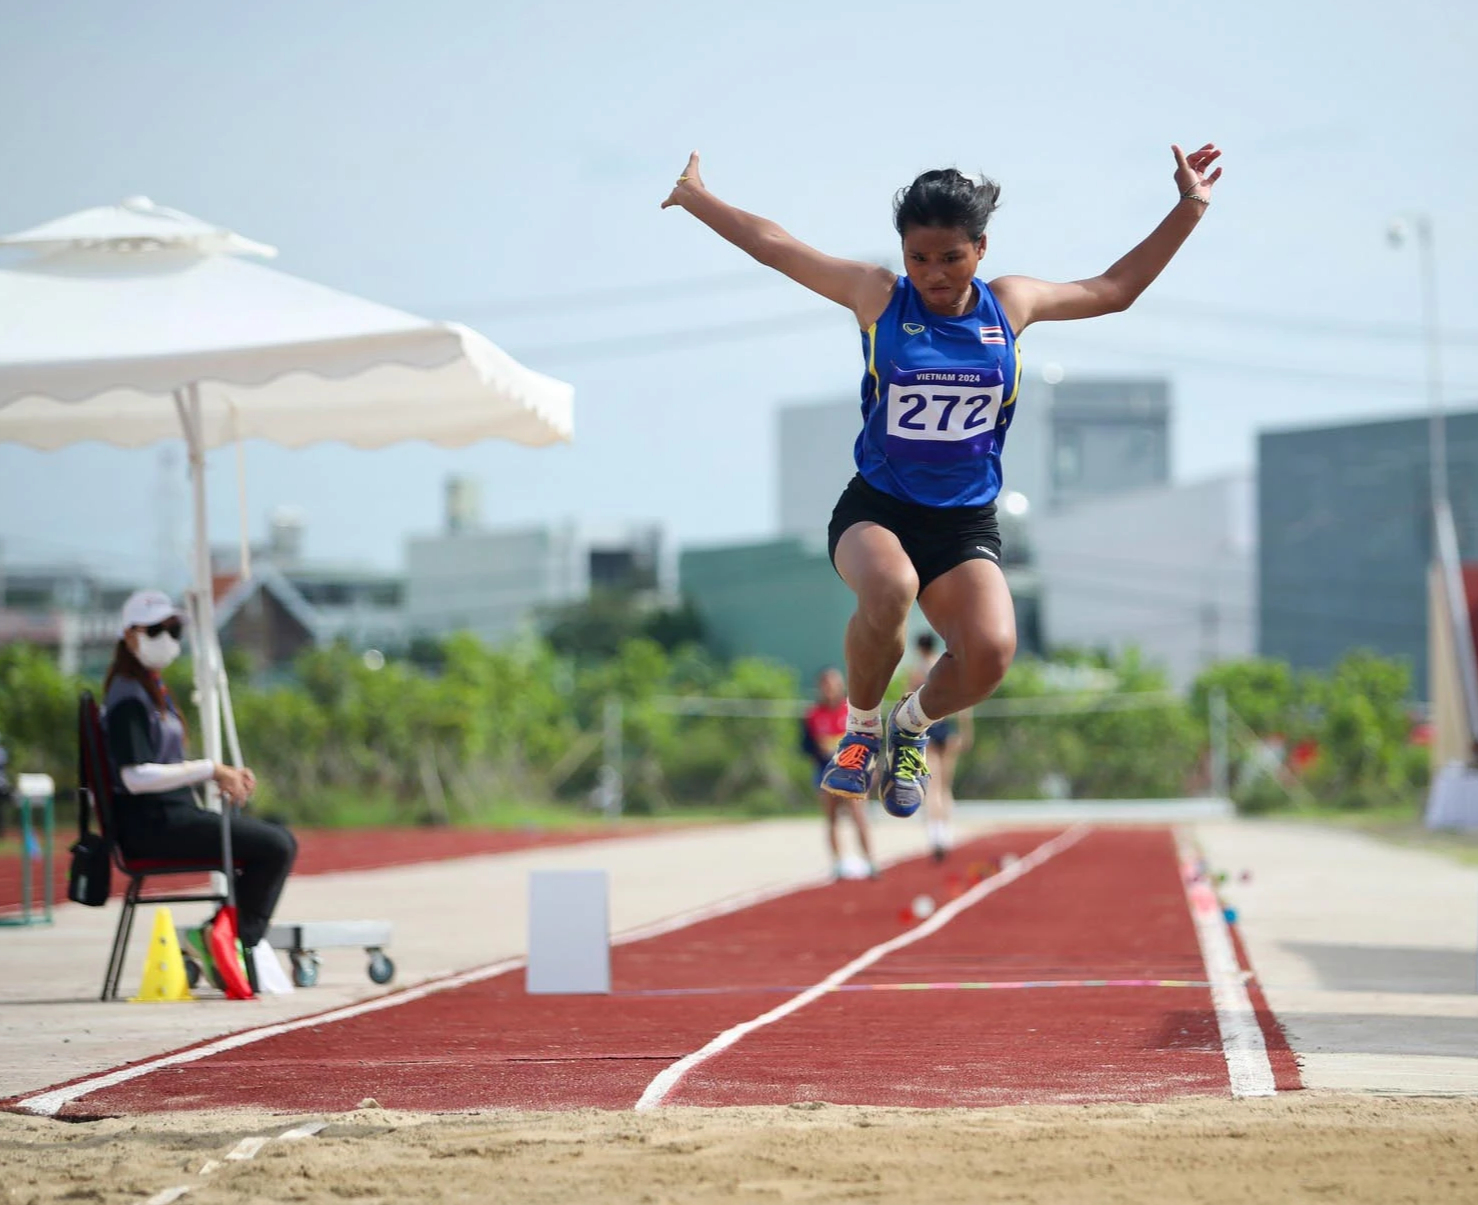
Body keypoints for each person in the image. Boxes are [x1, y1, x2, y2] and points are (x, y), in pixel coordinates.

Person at [663, 143, 1221, 817]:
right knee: (891, 586)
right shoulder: (879, 297)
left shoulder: (1009, 306)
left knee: (990, 652)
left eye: (950, 257)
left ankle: (911, 724)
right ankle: (863, 729)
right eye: (918, 257)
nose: (932, 273)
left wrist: (1190, 205)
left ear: (981, 249)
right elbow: (776, 246)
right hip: (879, 509)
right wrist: (698, 198)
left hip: (963, 524)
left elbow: (1115, 290)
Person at [102, 589, 296, 977]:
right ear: (130, 636)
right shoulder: (127, 697)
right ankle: (229, 943)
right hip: (152, 826)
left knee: (276, 835)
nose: (168, 638)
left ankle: (220, 939)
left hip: (173, 816)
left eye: (174, 629)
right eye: (156, 629)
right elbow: (134, 777)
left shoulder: (150, 689)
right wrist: (210, 769)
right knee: (276, 846)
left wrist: (221, 773)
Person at [801, 667, 879, 880]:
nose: (830, 689)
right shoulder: (813, 714)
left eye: (834, 684)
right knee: (832, 817)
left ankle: (870, 860)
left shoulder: (852, 711)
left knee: (858, 814)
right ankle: (838, 863)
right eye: (826, 685)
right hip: (826, 772)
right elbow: (808, 746)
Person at [908, 632, 972, 861]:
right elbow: (964, 702)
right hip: (948, 726)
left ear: (918, 648)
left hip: (930, 726)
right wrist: (965, 731)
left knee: (933, 785)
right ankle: (944, 833)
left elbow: (909, 700)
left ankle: (936, 834)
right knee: (945, 785)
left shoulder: (918, 670)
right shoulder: (950, 667)